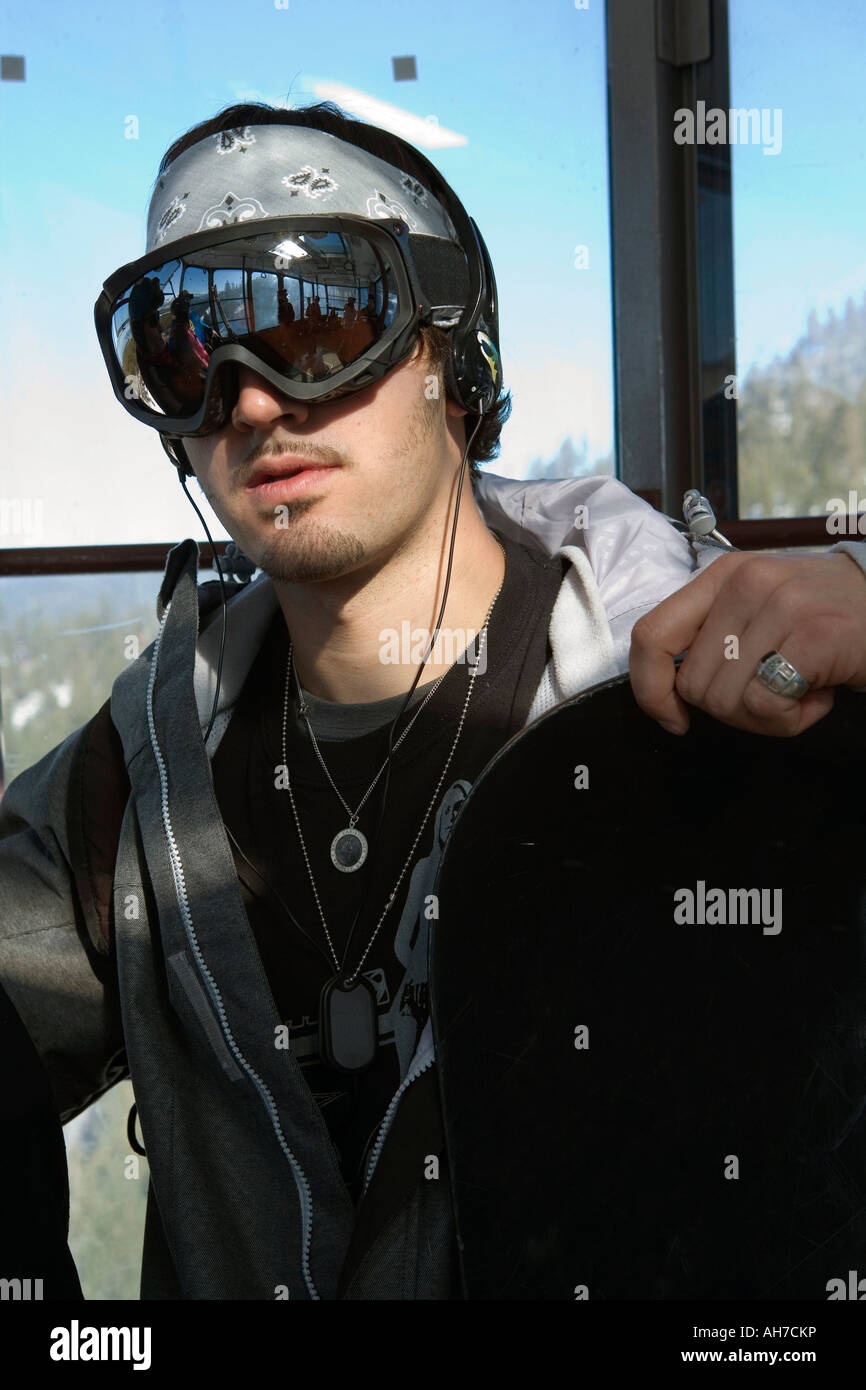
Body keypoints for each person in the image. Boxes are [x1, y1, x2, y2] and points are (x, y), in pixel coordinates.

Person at [3, 99, 866, 1302]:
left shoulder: (680, 698)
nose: (251, 402)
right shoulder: (133, 775)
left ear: (451, 360)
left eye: (318, 324)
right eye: (186, 348)